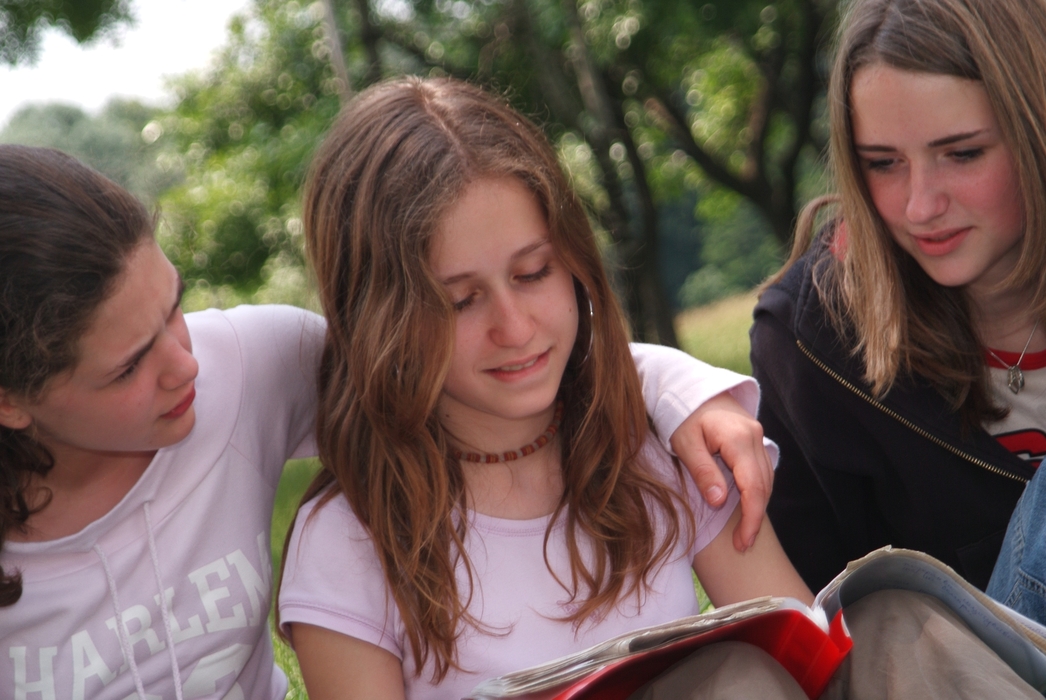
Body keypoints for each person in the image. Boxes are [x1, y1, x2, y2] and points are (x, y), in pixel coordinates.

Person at [277, 77, 1044, 700]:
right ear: (379, 318)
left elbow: (810, 654)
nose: (514, 326)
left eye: (533, 272)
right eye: (459, 300)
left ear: (574, 259)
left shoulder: (658, 452)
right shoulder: (350, 543)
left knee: (876, 628)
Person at [0, 144, 773, 699]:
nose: (185, 363)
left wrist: (678, 388)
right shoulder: (343, 549)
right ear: (12, 402)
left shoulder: (242, 366)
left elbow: (463, 365)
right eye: (130, 365)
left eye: (176, 309)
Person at [750, 0, 1046, 593]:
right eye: (883, 164)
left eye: (962, 154)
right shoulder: (810, 342)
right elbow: (824, 621)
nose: (920, 206)